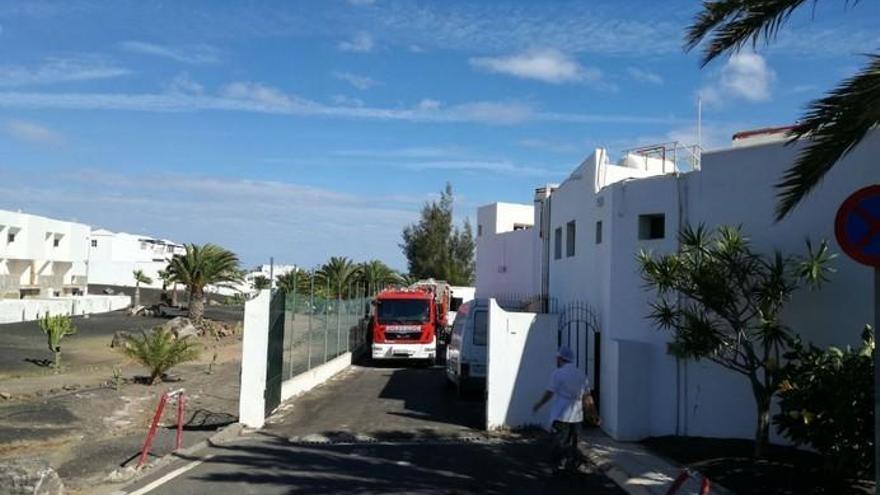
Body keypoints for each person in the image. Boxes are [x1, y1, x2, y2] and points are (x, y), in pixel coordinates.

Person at [532, 345, 599, 474]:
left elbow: (549, 393)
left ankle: (557, 468)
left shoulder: (558, 373)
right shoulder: (581, 374)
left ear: (561, 358)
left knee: (559, 442)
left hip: (561, 415)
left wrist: (539, 404)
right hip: (577, 417)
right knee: (574, 443)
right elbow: (587, 397)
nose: (556, 360)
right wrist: (593, 413)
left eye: (557, 358)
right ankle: (571, 466)